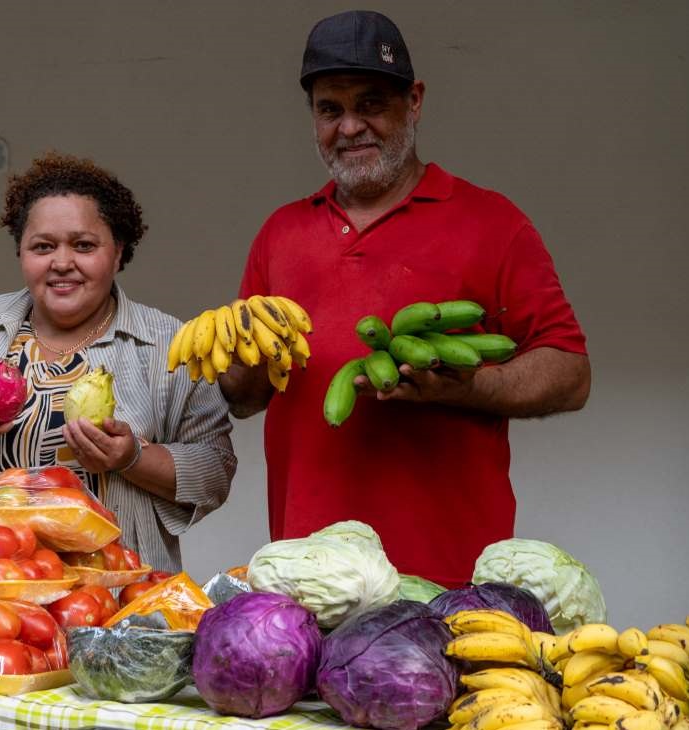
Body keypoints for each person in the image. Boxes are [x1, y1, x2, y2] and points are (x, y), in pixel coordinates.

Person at [219, 10, 590, 587]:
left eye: (371, 103)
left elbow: (570, 370)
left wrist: (469, 386)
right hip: (309, 575)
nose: (350, 127)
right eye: (330, 109)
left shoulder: (492, 224)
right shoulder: (280, 233)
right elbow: (245, 398)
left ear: (413, 101)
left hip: (450, 575)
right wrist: (236, 363)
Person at [0, 152, 235, 572]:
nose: (61, 262)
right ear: (21, 253)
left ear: (118, 253)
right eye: (43, 246)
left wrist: (131, 457)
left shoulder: (171, 345)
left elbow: (215, 471)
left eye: (84, 245)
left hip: (108, 598)